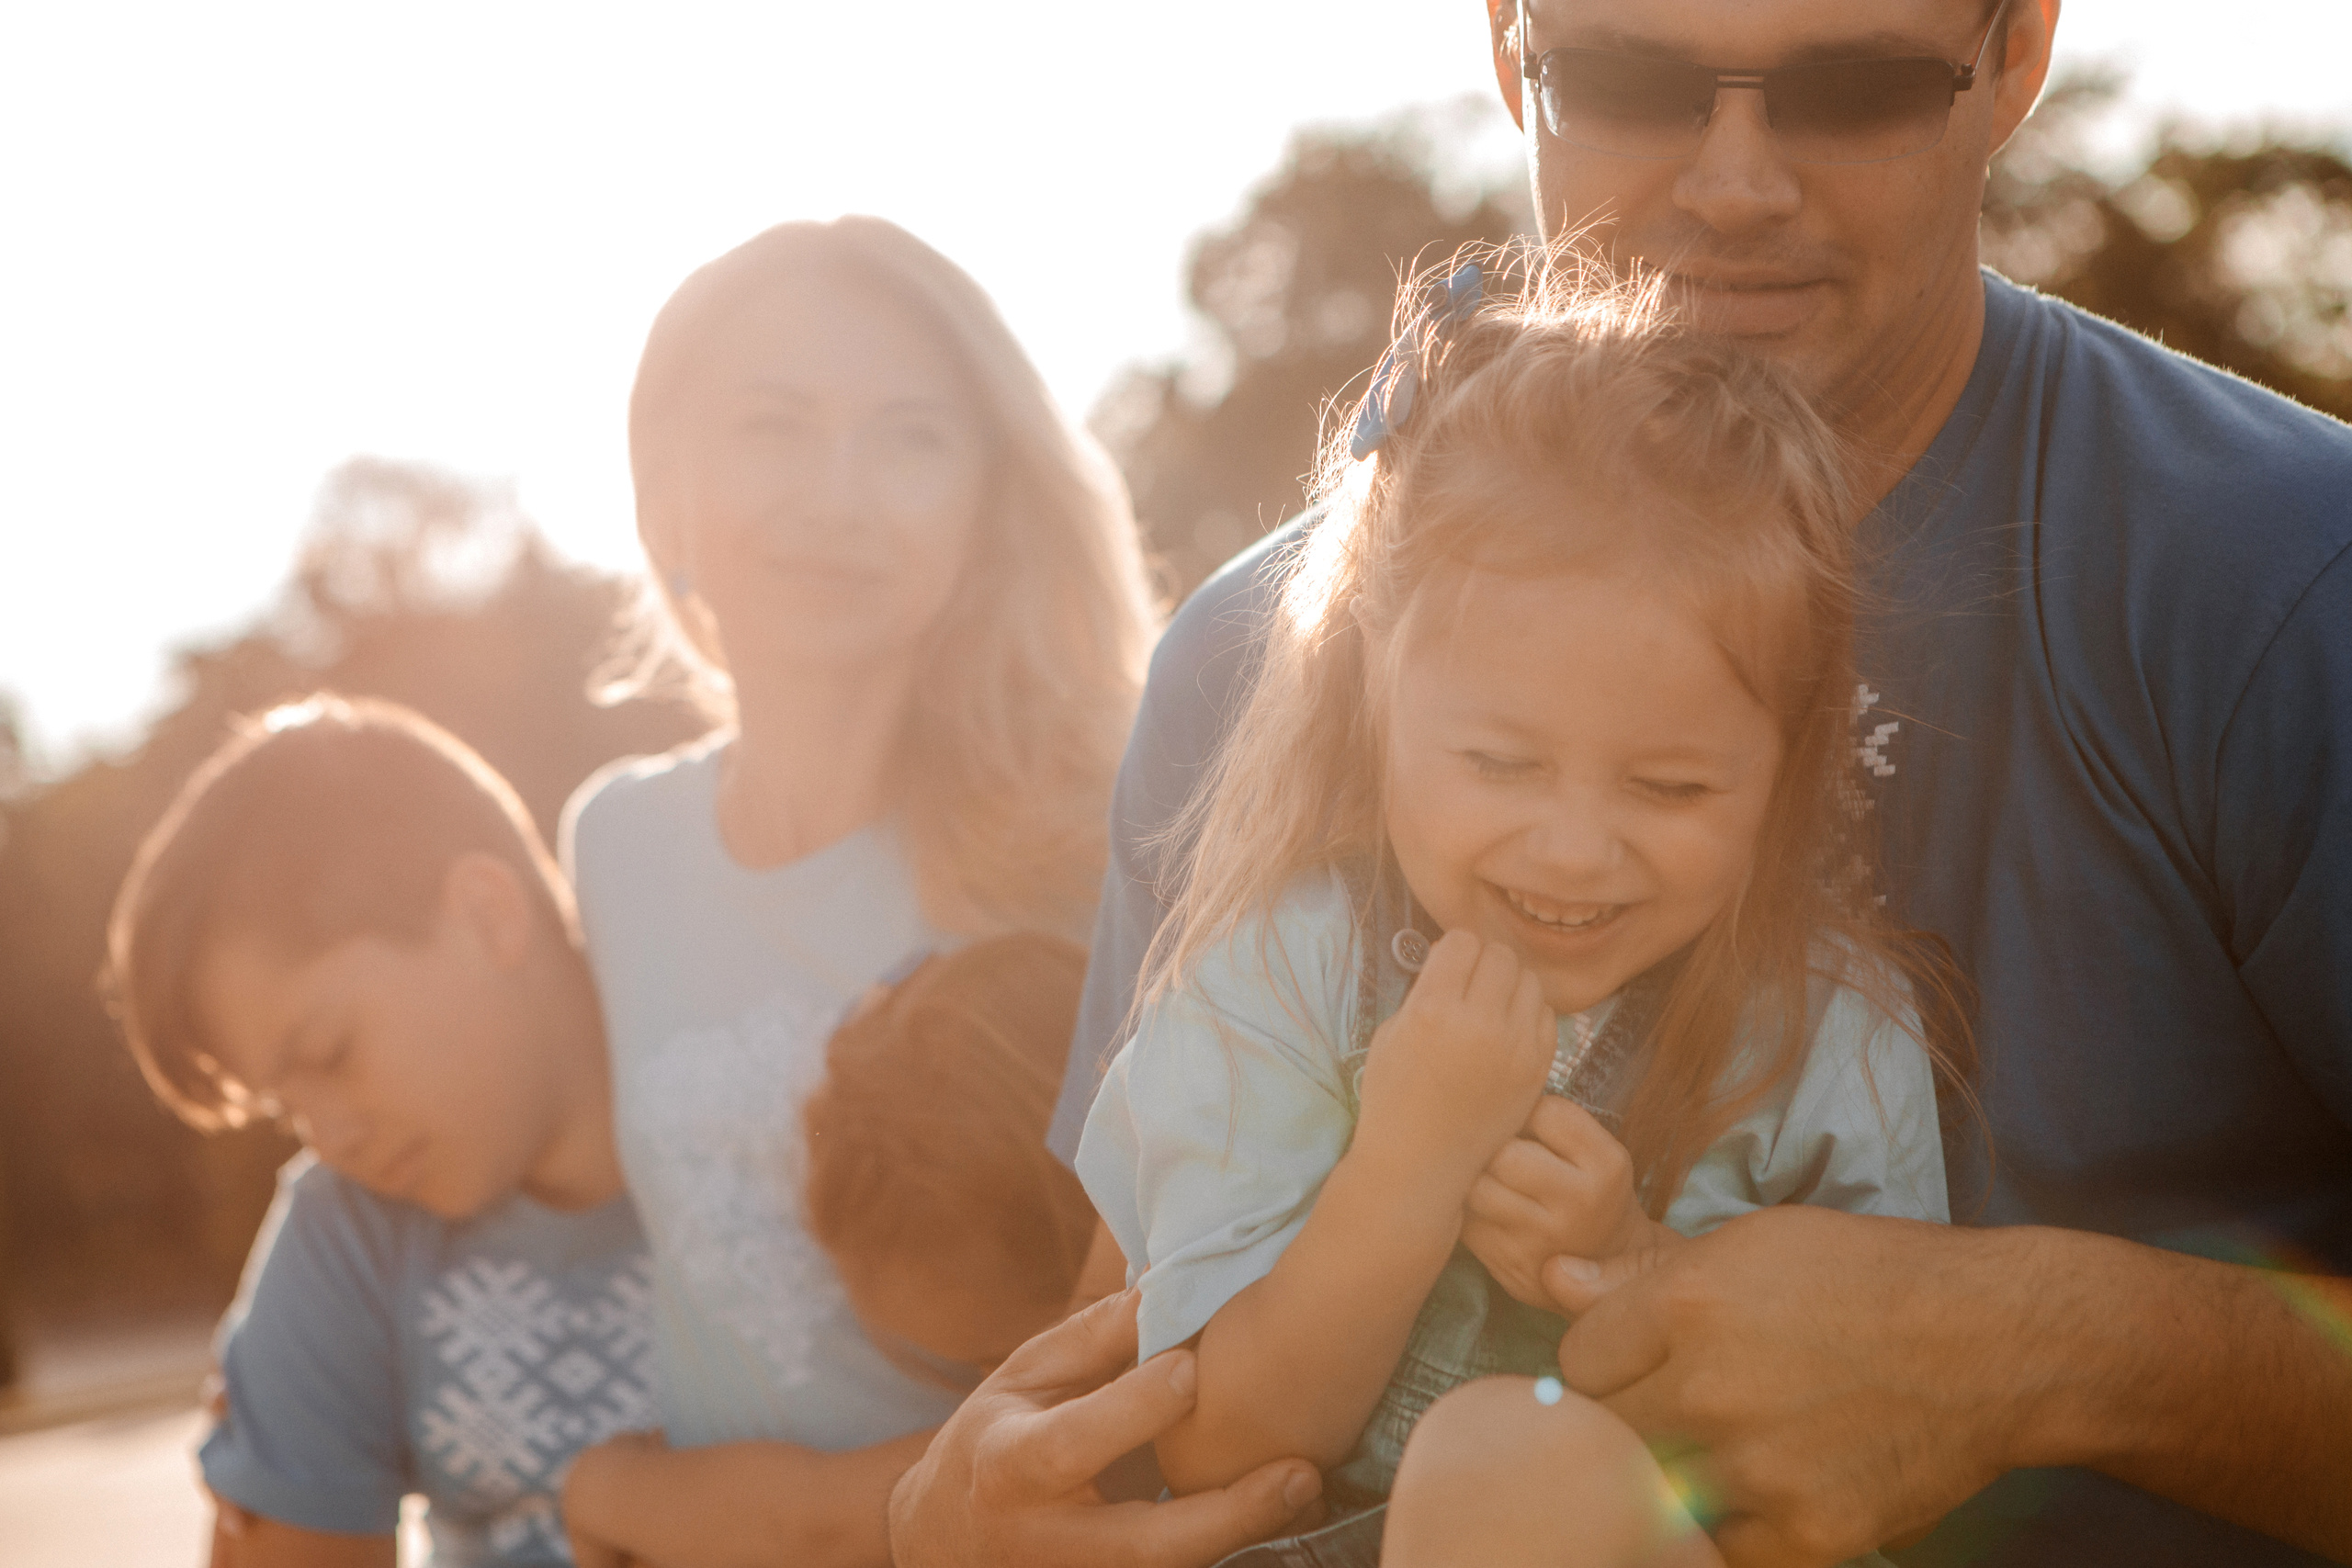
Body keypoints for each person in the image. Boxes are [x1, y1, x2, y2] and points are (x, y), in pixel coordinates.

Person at [901, 2, 2352, 1565]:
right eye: (1627, 77)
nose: (1735, 183)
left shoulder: (2283, 587)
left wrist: (2063, 1349)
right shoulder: (1269, 656)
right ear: (1509, 50)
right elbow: (1140, 1346)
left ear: (2014, 58)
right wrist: (966, 1518)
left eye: (1854, 87)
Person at [1078, 261, 1956, 1567]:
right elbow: (1219, 1449)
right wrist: (1406, 1164)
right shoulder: (1289, 971)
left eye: (1669, 785)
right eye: (1500, 763)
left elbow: (1886, 1456)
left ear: (1786, 766)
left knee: (1510, 1457)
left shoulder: (1825, 1036)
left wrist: (1635, 1268)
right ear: (1375, 702)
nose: (1574, 847)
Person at [562, 215, 1160, 1560]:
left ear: (986, 507)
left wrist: (631, 1499)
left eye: (910, 438)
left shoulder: (1103, 853)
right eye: (772, 427)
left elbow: (1126, 1390)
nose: (837, 495)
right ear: (665, 491)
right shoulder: (616, 844)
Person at [104, 694, 653, 1567]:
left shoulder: (775, 1107)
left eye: (332, 1051)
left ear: (488, 915)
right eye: (286, 1108)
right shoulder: (350, 1234)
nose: (328, 1137)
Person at [561, 936, 1103, 1566]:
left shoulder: (1113, 1423)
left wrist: (602, 1492)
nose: (989, 1390)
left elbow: (810, 1529)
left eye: (992, 1356)